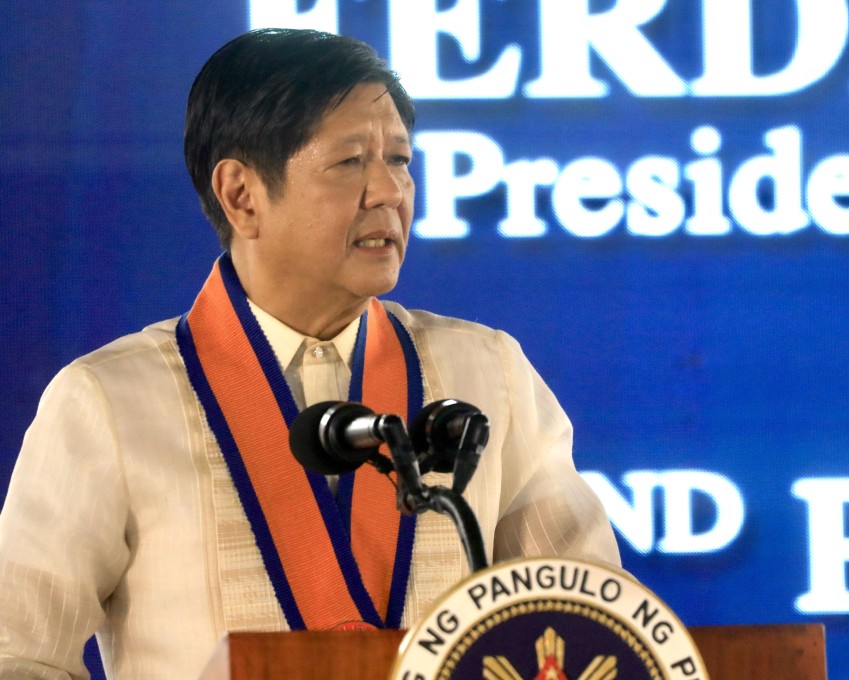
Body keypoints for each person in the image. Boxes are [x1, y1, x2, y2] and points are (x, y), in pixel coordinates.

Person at [0, 28, 619, 679]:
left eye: (400, 160)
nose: (390, 191)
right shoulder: (111, 401)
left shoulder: (488, 372)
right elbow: (17, 655)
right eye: (350, 162)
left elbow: (592, 625)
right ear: (241, 195)